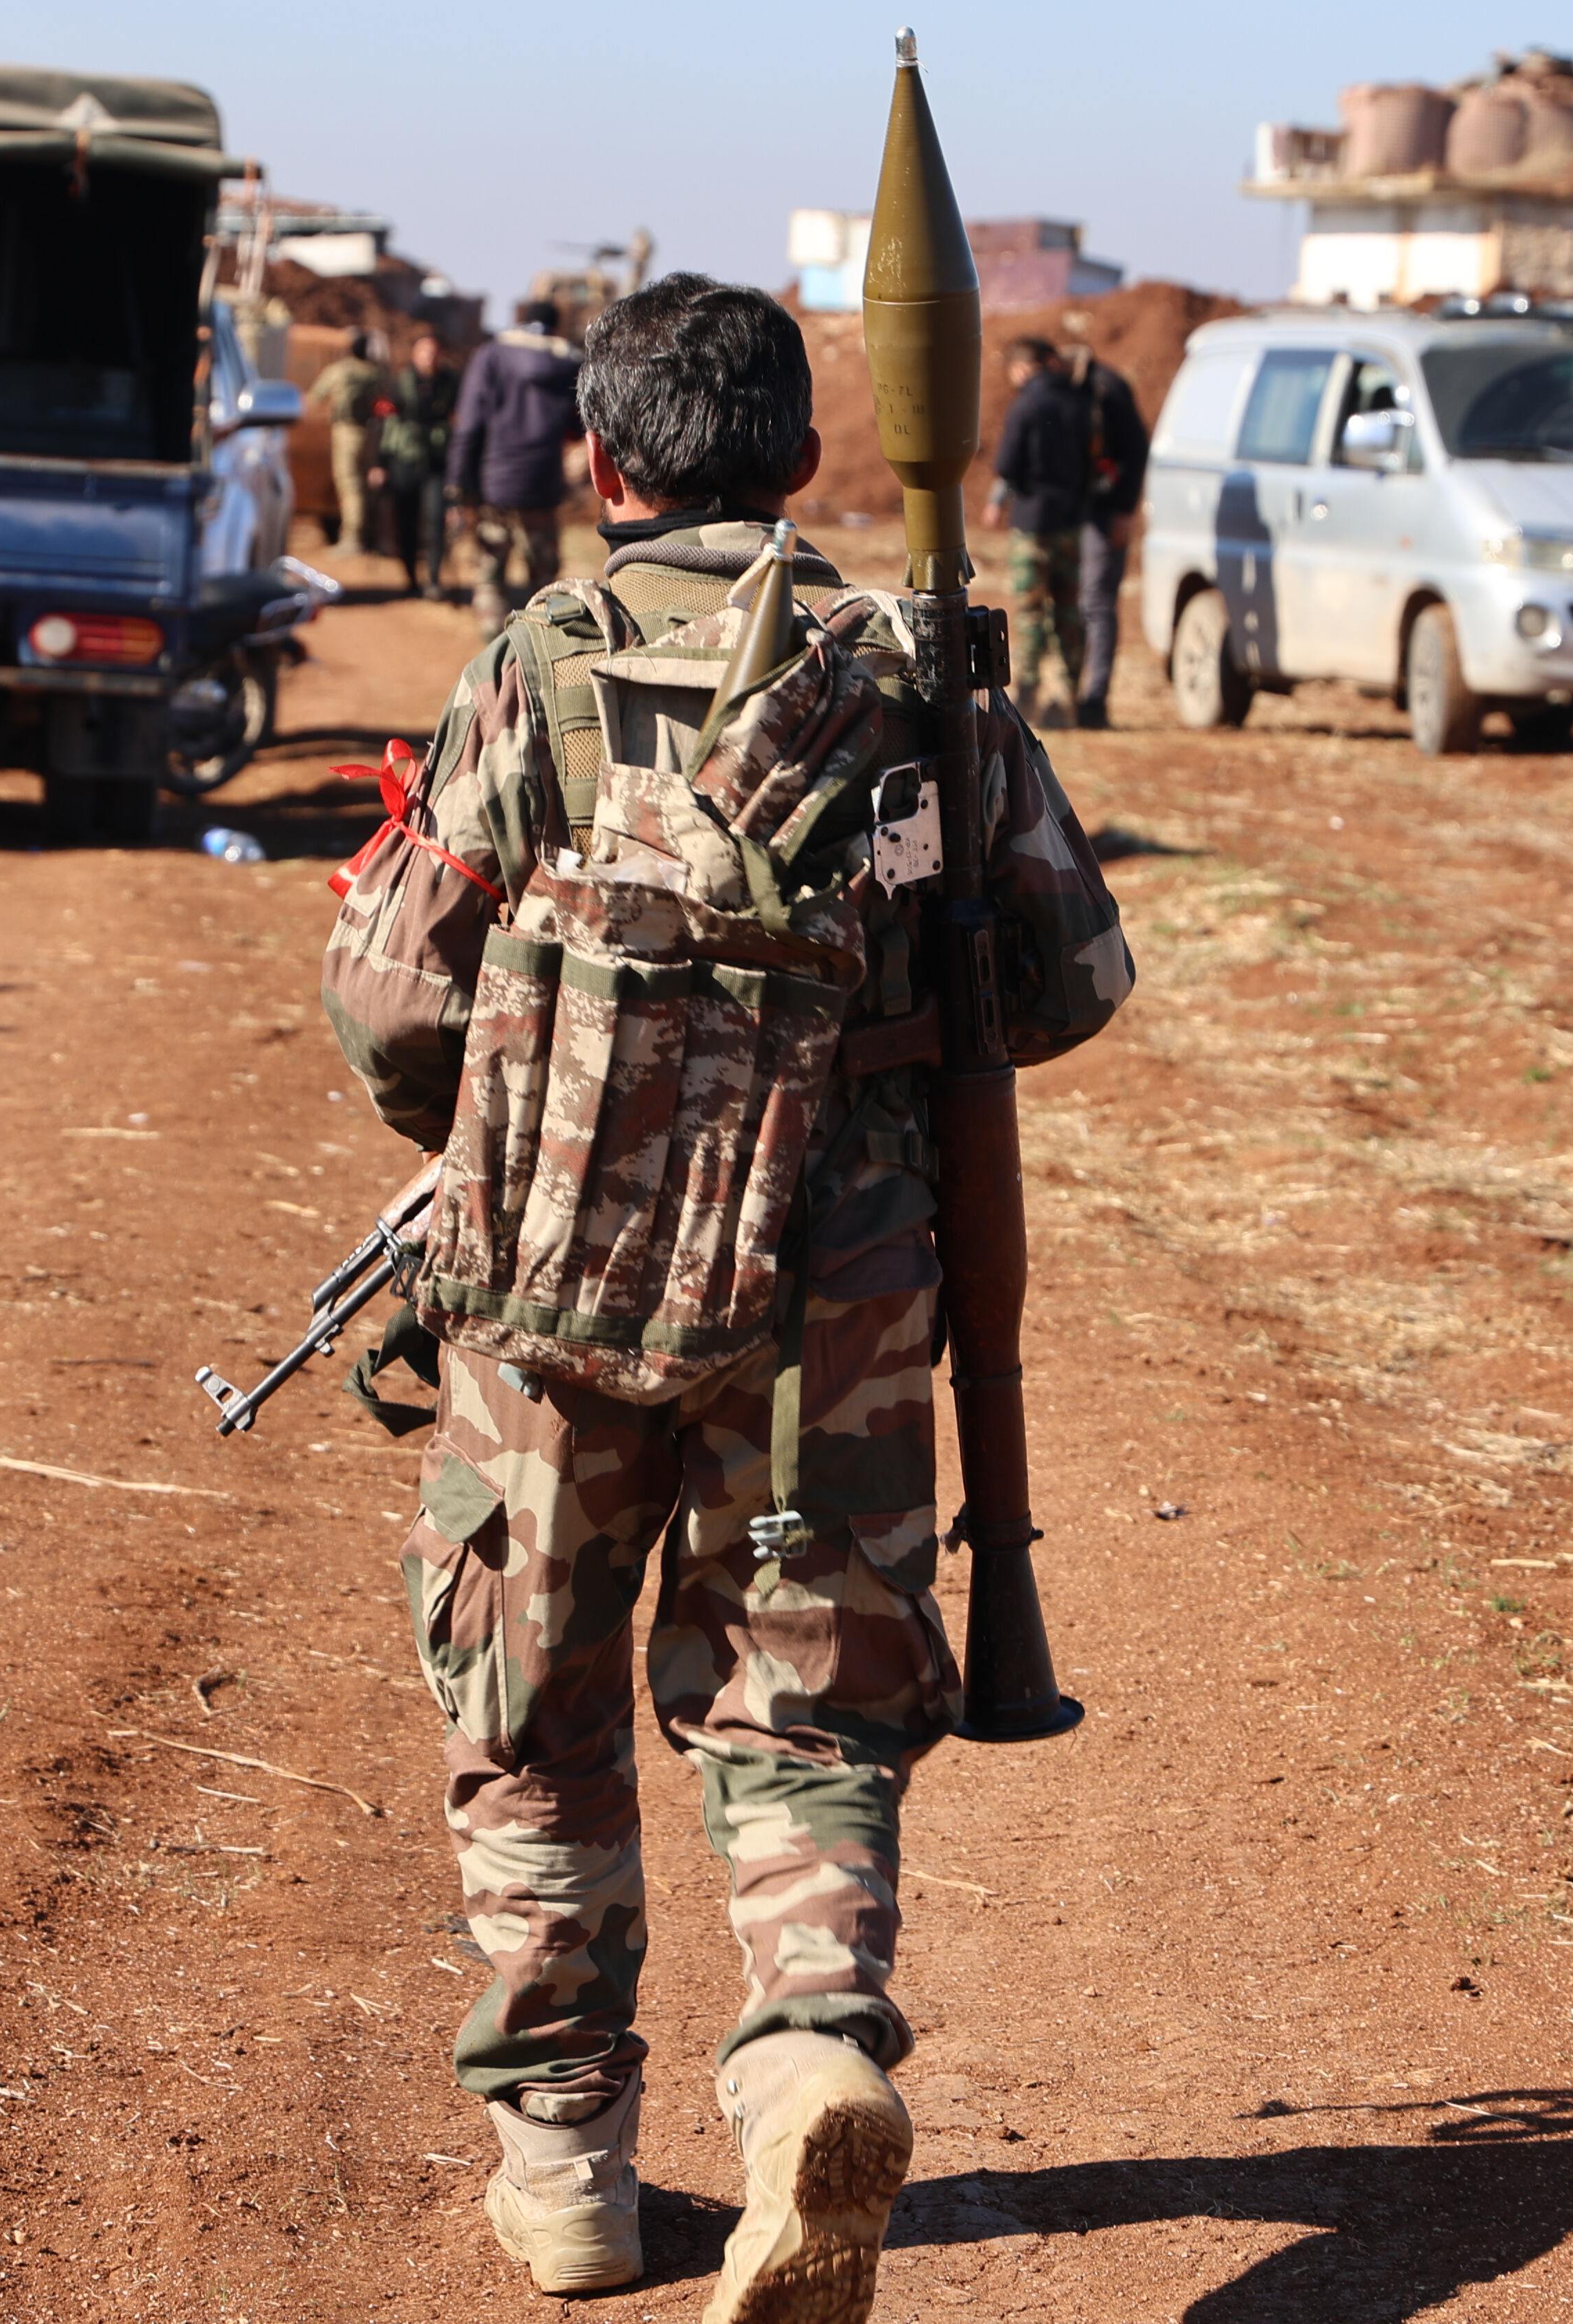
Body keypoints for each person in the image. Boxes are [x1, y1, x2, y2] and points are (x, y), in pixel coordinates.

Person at [322, 273, 1131, 2318]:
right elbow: (1059, 986)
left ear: (599, 465)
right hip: (832, 1305)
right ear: (796, 460)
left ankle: (567, 2173)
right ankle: (808, 2062)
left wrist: (549, 1101)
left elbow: (396, 1009)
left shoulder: (530, 664)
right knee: (802, 1700)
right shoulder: (904, 677)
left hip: (547, 1291)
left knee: (533, 1698)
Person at [447, 294, 583, 637]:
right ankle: (543, 639)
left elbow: (469, 426)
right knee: (543, 574)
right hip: (543, 485)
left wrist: (459, 485)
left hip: (495, 486)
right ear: (555, 326)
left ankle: (493, 639)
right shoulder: (570, 364)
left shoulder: (492, 356)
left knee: (491, 569)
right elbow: (578, 428)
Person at [980, 336, 1092, 725]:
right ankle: (1066, 697)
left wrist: (996, 503)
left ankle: (1026, 695)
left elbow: (1009, 465)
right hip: (1072, 525)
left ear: (1023, 369)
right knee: (1068, 613)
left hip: (1032, 525)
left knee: (1030, 612)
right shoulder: (1080, 404)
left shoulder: (1025, 404)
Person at [1065, 338, 1148, 729]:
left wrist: (1123, 510)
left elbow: (1136, 449)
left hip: (1106, 512)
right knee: (1080, 605)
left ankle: (1094, 702)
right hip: (1080, 513)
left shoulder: (1105, 389)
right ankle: (1074, 696)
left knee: (1096, 603)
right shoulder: (1078, 390)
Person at [357, 326, 456, 595]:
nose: (429, 358)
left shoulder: (451, 384)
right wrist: (378, 464)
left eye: (434, 353)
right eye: (424, 351)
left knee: (435, 520)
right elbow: (383, 424)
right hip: (403, 460)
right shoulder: (398, 383)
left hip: (436, 461)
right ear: (414, 354)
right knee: (406, 523)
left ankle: (433, 580)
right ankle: (411, 578)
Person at [299, 334, 385, 555]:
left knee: (351, 487)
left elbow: (315, 397)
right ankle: (374, 538)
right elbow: (387, 405)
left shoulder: (340, 371)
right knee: (369, 489)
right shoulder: (376, 374)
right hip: (373, 435)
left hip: (347, 433)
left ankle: (353, 540)